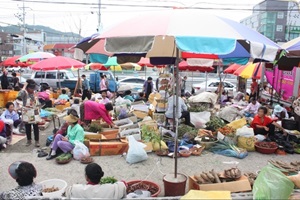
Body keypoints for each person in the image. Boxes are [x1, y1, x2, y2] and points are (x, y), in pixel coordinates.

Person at [18, 79, 40, 147]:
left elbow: (37, 101)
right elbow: (19, 95)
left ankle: (37, 141)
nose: (33, 90)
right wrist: (24, 86)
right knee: (28, 127)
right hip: (27, 112)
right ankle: (29, 140)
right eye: (31, 88)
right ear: (27, 88)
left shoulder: (35, 92)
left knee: (36, 127)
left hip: (35, 111)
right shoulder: (24, 93)